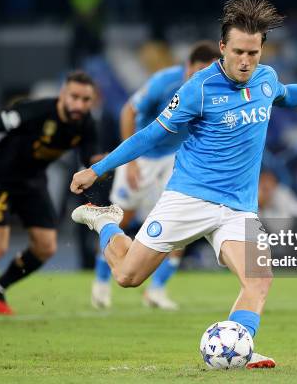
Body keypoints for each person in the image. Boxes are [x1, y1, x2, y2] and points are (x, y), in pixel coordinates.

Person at [69, 0, 297, 368]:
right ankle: (105, 220)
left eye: (254, 54)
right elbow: (151, 135)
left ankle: (237, 346)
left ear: (262, 51)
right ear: (223, 47)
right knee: (128, 277)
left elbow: (286, 96)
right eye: (239, 52)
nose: (246, 61)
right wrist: (97, 170)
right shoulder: (198, 88)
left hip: (239, 207)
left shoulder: (266, 78)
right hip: (190, 197)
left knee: (259, 280)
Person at [0, 71, 100, 315]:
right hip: (2, 179)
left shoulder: (86, 124)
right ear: (63, 95)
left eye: (85, 100)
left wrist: (117, 161)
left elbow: (93, 160)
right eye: (74, 97)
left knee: (46, 247)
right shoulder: (34, 111)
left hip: (33, 182)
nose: (79, 105)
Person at [92, 41, 220, 311]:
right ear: (187, 67)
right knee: (121, 218)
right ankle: (102, 284)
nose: (201, 78)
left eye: (206, 73)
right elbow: (129, 111)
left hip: (175, 160)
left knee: (178, 226)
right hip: (144, 155)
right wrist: (133, 161)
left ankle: (157, 291)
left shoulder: (216, 86)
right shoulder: (163, 82)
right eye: (197, 72)